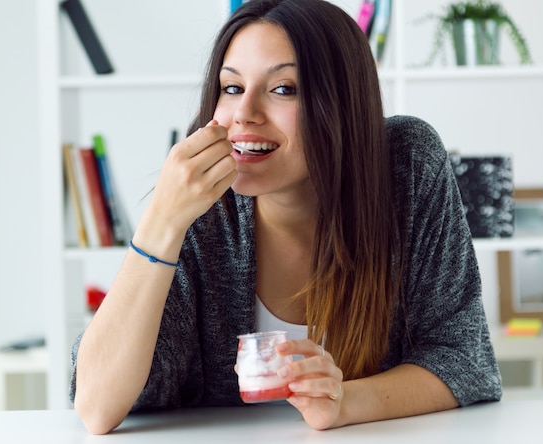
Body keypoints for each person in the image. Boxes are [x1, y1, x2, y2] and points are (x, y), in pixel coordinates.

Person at [70, 0, 502, 435]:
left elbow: (464, 359)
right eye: (232, 88)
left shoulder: (406, 163)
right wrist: (161, 221)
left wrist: (343, 401)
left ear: (342, 103)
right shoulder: (200, 199)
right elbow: (97, 405)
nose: (245, 114)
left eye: (283, 89)